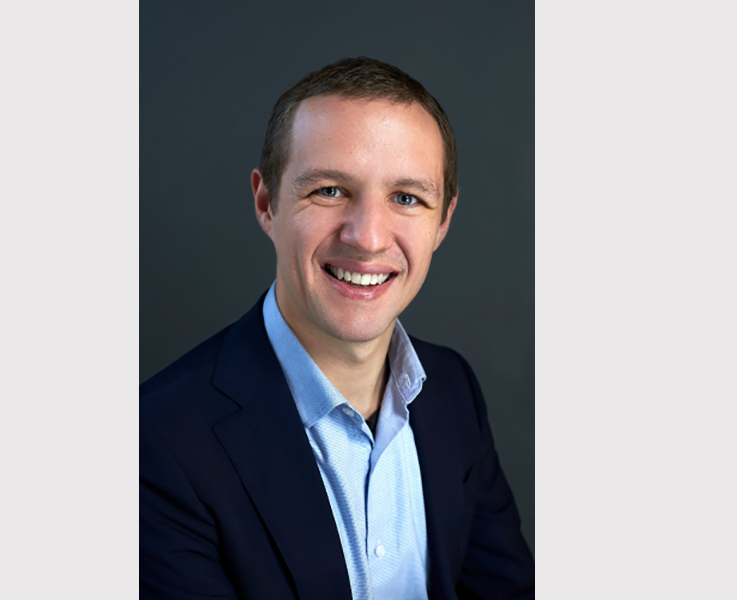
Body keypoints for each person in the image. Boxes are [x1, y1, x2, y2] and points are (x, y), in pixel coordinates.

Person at [140, 57, 534, 600]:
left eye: (407, 198)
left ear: (442, 221)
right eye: (329, 190)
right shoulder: (156, 442)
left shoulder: (453, 389)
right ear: (266, 203)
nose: (368, 237)